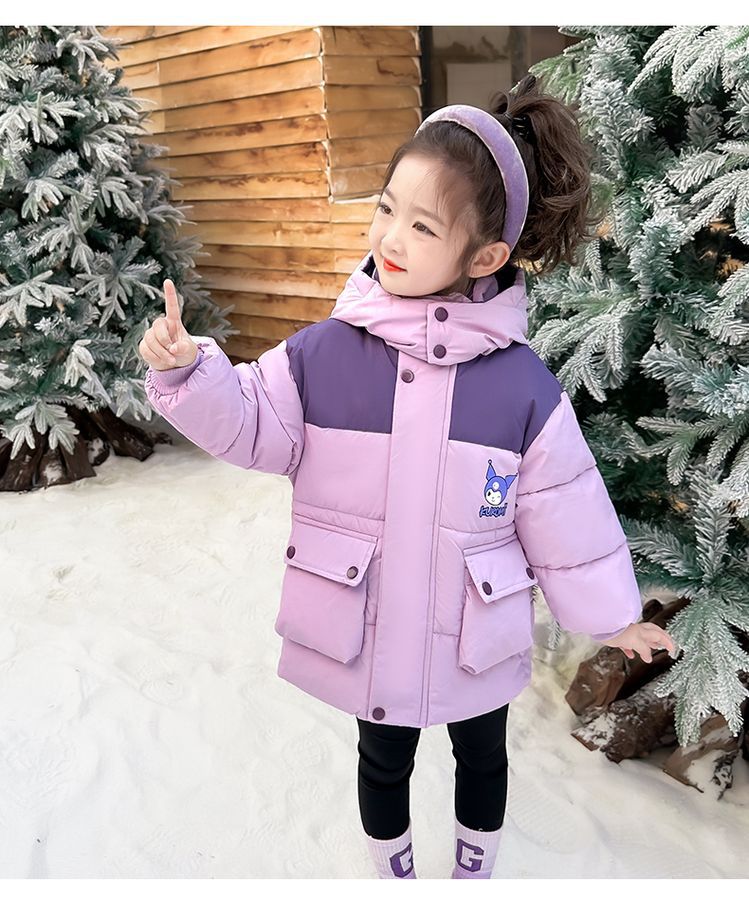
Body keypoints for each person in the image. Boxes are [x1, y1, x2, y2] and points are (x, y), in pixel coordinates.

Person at [139, 73, 677, 879]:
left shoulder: (520, 388)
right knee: (382, 759)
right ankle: (394, 876)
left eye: (422, 226)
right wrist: (188, 372)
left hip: (471, 636)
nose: (390, 236)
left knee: (482, 757)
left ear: (483, 256)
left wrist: (613, 616)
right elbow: (252, 424)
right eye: (387, 208)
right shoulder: (324, 355)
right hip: (369, 622)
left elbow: (565, 513)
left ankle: (471, 874)